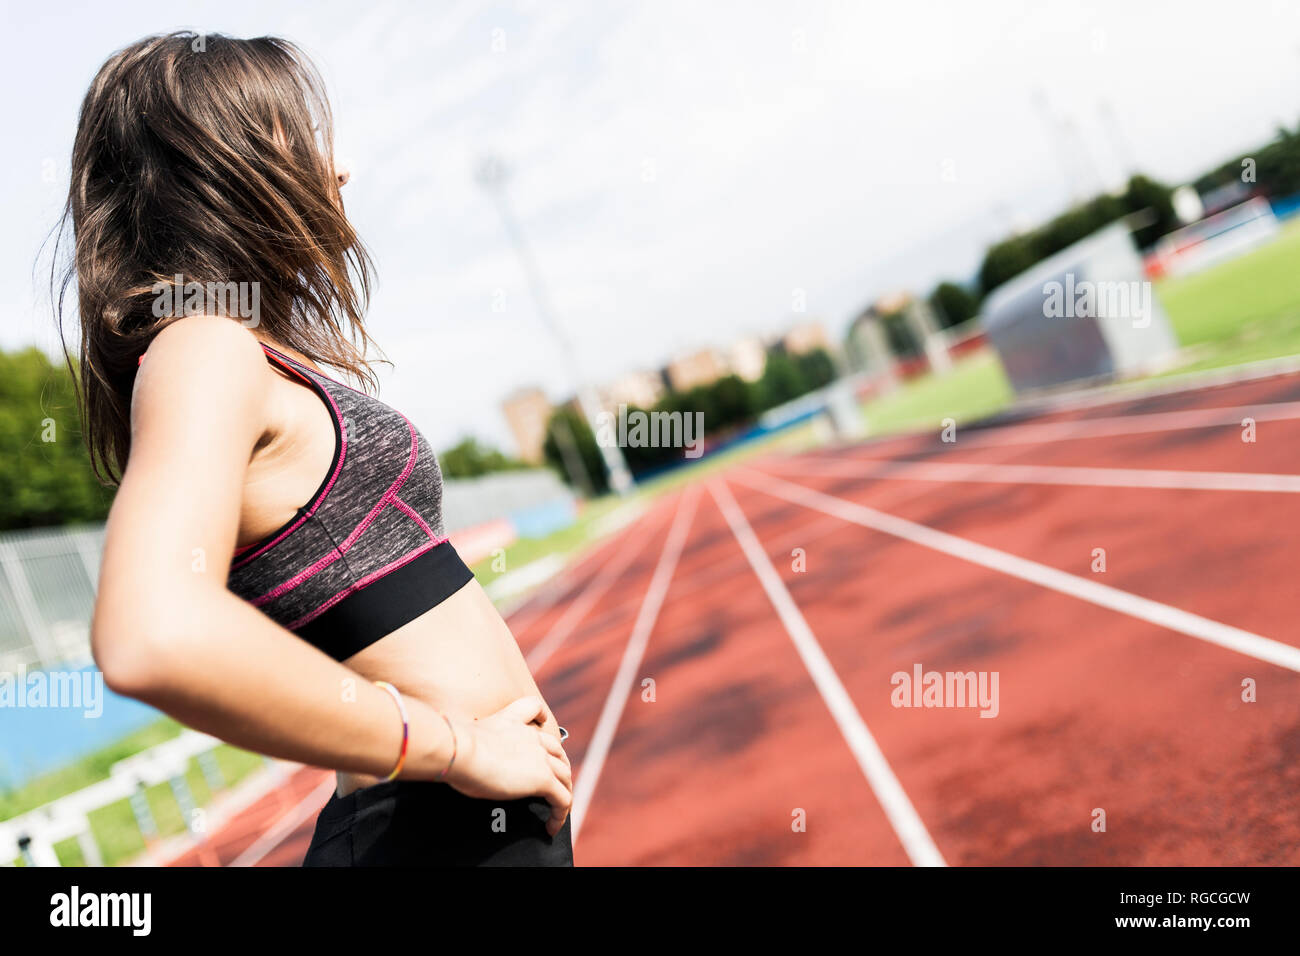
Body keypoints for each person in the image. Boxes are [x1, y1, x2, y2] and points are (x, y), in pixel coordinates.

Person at [60, 32, 573, 866]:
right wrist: (459, 747)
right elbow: (148, 634)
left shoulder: (240, 351)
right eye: (300, 136)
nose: (340, 168)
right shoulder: (203, 346)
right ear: (225, 168)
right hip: (424, 832)